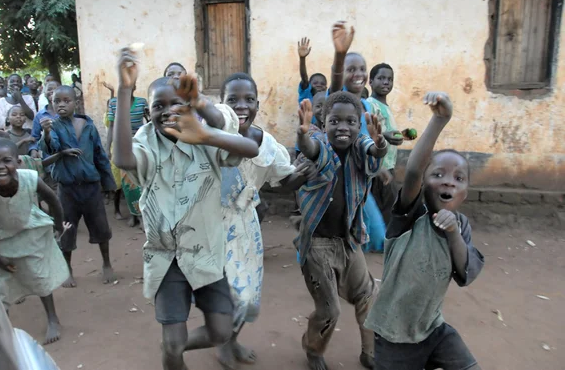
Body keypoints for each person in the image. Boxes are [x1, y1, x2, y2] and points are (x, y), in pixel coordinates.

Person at [113, 48, 259, 370]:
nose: (167, 111)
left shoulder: (202, 132)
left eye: (175, 103)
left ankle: (173, 345)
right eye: (158, 106)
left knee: (221, 331)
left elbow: (249, 148)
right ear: (147, 112)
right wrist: (125, 91)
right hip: (166, 258)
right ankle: (172, 349)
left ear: (189, 104)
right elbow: (123, 159)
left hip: (207, 253)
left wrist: (206, 132)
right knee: (173, 343)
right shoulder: (146, 140)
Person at [198, 72, 312, 369]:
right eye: (233, 99)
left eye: (249, 99)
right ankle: (222, 342)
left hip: (245, 225)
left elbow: (282, 180)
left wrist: (298, 179)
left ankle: (231, 337)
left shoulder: (268, 143)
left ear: (258, 104)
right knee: (220, 290)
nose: (241, 106)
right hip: (210, 223)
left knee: (246, 297)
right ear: (221, 104)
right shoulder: (209, 136)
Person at [365, 92, 484, 370]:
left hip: (432, 328)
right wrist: (439, 120)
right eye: (438, 174)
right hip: (394, 334)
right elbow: (414, 170)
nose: (449, 183)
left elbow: (465, 271)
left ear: (465, 194)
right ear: (424, 183)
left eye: (459, 179)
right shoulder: (409, 215)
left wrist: (453, 231)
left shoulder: (461, 225)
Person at [295, 91, 387, 370]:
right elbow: (310, 149)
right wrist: (301, 135)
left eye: (351, 121)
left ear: (359, 126)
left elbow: (374, 153)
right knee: (329, 311)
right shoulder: (321, 146)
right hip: (318, 246)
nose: (343, 127)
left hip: (348, 241)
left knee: (369, 295)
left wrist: (380, 143)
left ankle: (370, 353)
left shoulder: (361, 147)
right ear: (324, 124)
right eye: (335, 121)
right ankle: (313, 349)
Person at [0, 137, 71, 345]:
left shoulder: (30, 179)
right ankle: (5, 329)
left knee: (39, 276)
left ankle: (53, 317)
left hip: (28, 231)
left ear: (18, 162)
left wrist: (58, 226)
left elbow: (53, 200)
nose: (0, 167)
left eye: (6, 160)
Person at [39, 85, 117, 288]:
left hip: (91, 187)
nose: (62, 104)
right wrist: (46, 133)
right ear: (52, 104)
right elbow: (51, 147)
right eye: (57, 101)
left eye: (67, 100)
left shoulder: (88, 126)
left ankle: (106, 263)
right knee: (66, 228)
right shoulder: (53, 126)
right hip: (67, 189)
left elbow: (99, 154)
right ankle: (67, 268)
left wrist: (108, 182)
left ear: (76, 102)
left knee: (101, 226)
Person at [328, 21, 389, 253]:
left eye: (362, 68)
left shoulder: (365, 106)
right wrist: (340, 54)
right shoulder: (338, 100)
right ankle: (340, 281)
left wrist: (378, 163)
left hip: (359, 182)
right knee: (345, 237)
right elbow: (334, 87)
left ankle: (352, 282)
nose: (359, 74)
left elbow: (365, 142)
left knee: (373, 234)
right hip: (337, 182)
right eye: (350, 69)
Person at [367, 63, 406, 226]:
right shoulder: (370, 104)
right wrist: (384, 136)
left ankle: (380, 240)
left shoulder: (385, 107)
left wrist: (400, 135)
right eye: (381, 78)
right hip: (377, 167)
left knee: (386, 206)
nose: (386, 82)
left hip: (388, 165)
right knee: (384, 206)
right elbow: (365, 133)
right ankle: (381, 240)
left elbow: (388, 132)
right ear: (370, 81)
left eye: (389, 79)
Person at [104, 80, 147, 225]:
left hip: (140, 145)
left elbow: (148, 122)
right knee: (124, 184)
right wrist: (107, 149)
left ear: (135, 86)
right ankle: (130, 213)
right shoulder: (114, 103)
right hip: (120, 147)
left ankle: (141, 216)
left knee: (140, 182)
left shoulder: (142, 103)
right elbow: (111, 128)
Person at [297, 38, 328, 105]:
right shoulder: (305, 95)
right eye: (315, 83)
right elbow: (304, 78)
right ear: (309, 85)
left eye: (322, 84)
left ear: (326, 88)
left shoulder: (327, 99)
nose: (319, 85)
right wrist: (302, 58)